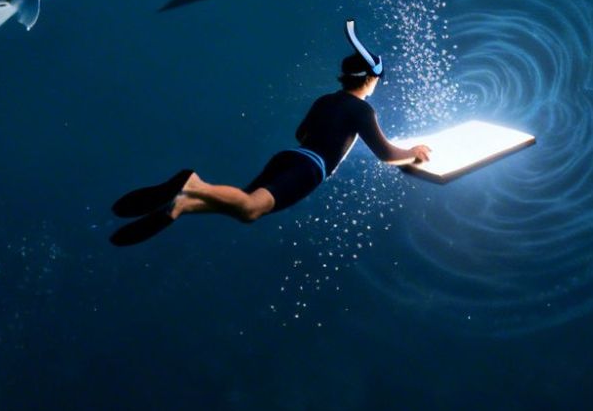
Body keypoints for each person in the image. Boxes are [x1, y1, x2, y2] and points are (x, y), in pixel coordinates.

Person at [109, 22, 431, 247]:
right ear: (369, 79)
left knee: (245, 211)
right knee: (251, 207)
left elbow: (301, 132)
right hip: (309, 168)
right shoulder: (363, 111)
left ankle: (183, 205)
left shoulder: (326, 99)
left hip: (289, 158)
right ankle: (193, 183)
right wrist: (412, 151)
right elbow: (387, 153)